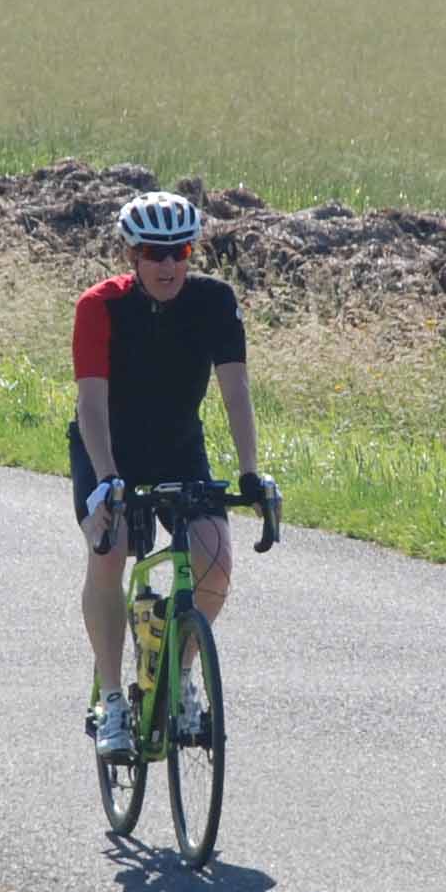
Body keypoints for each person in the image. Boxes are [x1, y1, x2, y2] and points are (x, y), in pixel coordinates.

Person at [73, 189, 268, 754]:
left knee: (214, 562)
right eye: (154, 253)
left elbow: (236, 393)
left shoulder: (215, 302)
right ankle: (111, 701)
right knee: (109, 551)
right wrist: (107, 479)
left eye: (179, 251)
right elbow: (90, 403)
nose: (168, 265)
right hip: (108, 445)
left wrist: (250, 472)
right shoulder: (100, 306)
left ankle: (181, 678)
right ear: (131, 255)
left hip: (179, 446)